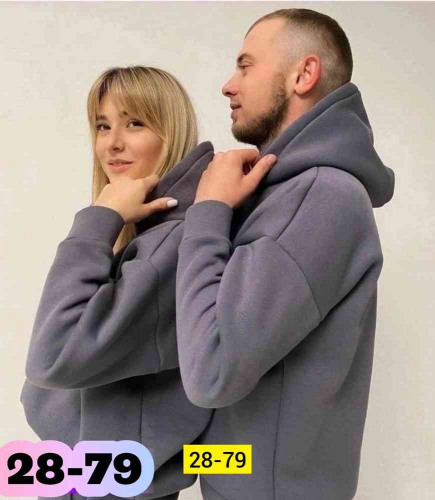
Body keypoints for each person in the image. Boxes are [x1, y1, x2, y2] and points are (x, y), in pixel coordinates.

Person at [175, 8, 395, 500]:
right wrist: (178, 465)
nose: (228, 85)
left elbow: (211, 374)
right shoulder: (287, 193)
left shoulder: (320, 196)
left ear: (303, 74)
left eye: (245, 65)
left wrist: (208, 212)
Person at [20, 65, 216, 500]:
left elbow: (51, 357)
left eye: (135, 123)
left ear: (171, 131)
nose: (112, 143)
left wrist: (99, 219)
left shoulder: (172, 242)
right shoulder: (150, 234)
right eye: (103, 125)